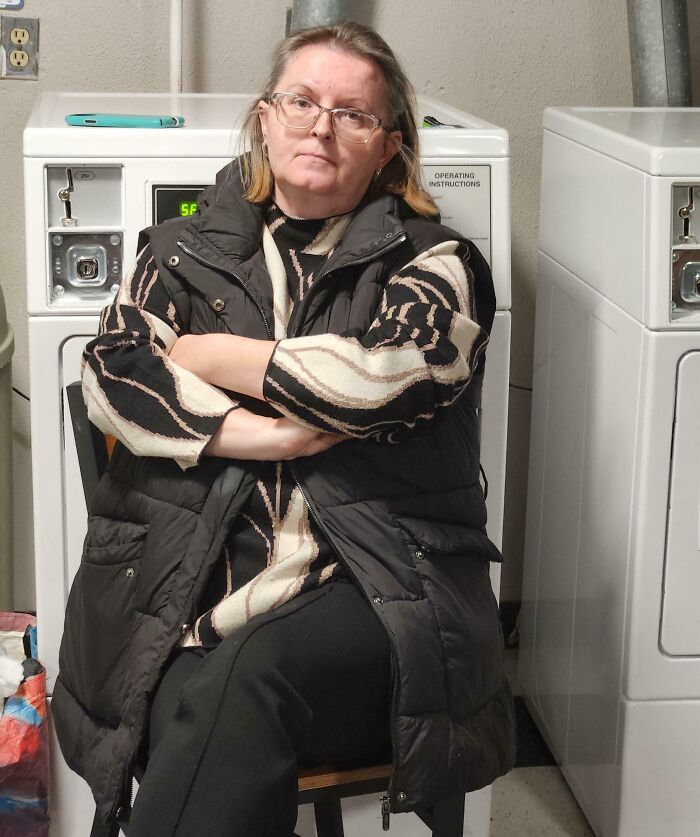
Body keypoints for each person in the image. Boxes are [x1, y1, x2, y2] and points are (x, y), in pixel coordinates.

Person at [53, 21, 515, 837]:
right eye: (301, 100)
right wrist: (257, 434)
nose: (320, 125)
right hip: (198, 588)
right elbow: (110, 371)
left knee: (239, 680)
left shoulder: (436, 263)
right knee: (196, 691)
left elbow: (376, 377)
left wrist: (212, 353)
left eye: (353, 113)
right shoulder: (180, 253)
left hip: (381, 592)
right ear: (265, 118)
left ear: (390, 148)